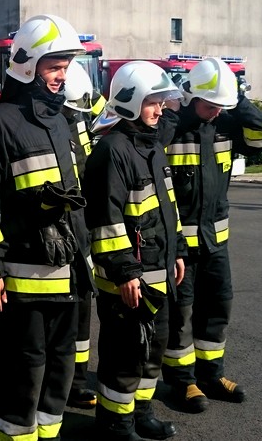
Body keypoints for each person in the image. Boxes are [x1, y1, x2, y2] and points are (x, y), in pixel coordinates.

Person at [0, 14, 96, 441]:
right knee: (25, 373)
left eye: (64, 67)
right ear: (27, 65)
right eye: (53, 67)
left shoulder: (61, 123)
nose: (61, 76)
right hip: (23, 281)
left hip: (68, 276)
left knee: (59, 371)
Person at [161, 57, 262, 413]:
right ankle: (182, 382)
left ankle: (211, 374)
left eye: (220, 107)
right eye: (210, 106)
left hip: (216, 242)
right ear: (191, 96)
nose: (214, 112)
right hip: (180, 247)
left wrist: (239, 102)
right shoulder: (171, 128)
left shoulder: (225, 125)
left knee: (218, 307)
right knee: (181, 314)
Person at [84, 61, 186, 440]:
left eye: (161, 102)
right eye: (151, 103)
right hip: (128, 279)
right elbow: (106, 220)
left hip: (157, 273)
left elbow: (167, 207)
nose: (159, 110)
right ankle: (114, 424)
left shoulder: (153, 148)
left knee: (153, 349)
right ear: (128, 103)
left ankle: (140, 413)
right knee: (125, 355)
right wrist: (126, 271)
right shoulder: (113, 151)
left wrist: (179, 252)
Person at [60, 60, 101, 411]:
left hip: (82, 231)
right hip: (57, 237)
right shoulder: (48, 126)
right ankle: (61, 381)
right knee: (62, 315)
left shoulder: (78, 118)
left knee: (82, 312)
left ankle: (77, 381)